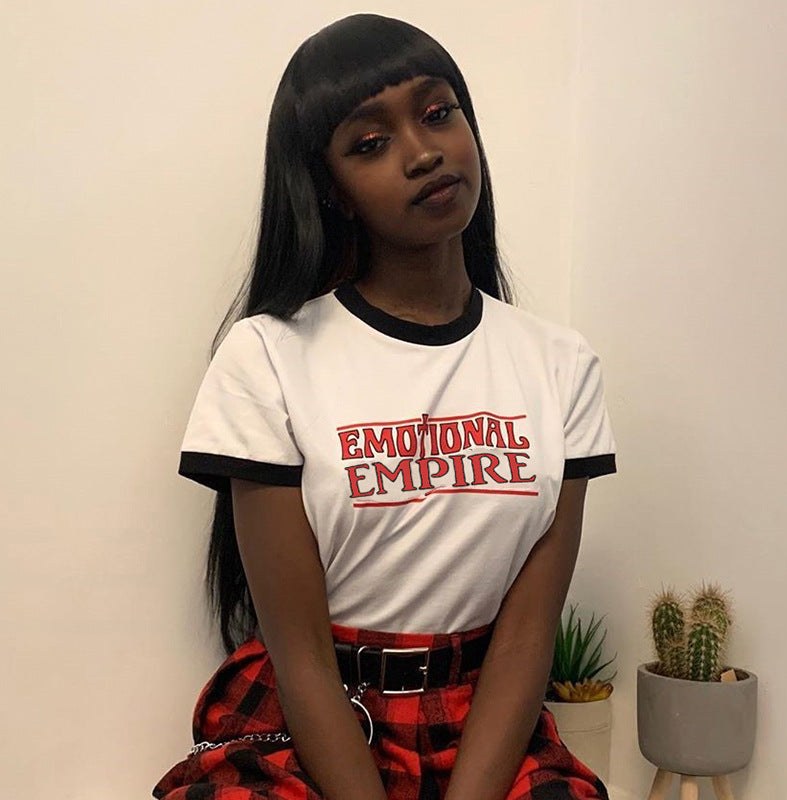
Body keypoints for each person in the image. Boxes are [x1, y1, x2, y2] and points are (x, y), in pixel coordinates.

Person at [152, 12, 617, 800]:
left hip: (485, 724)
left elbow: (526, 639)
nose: (423, 151)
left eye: (438, 112)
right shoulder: (267, 358)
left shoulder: (560, 365)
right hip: (315, 721)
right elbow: (300, 654)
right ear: (330, 190)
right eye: (370, 143)